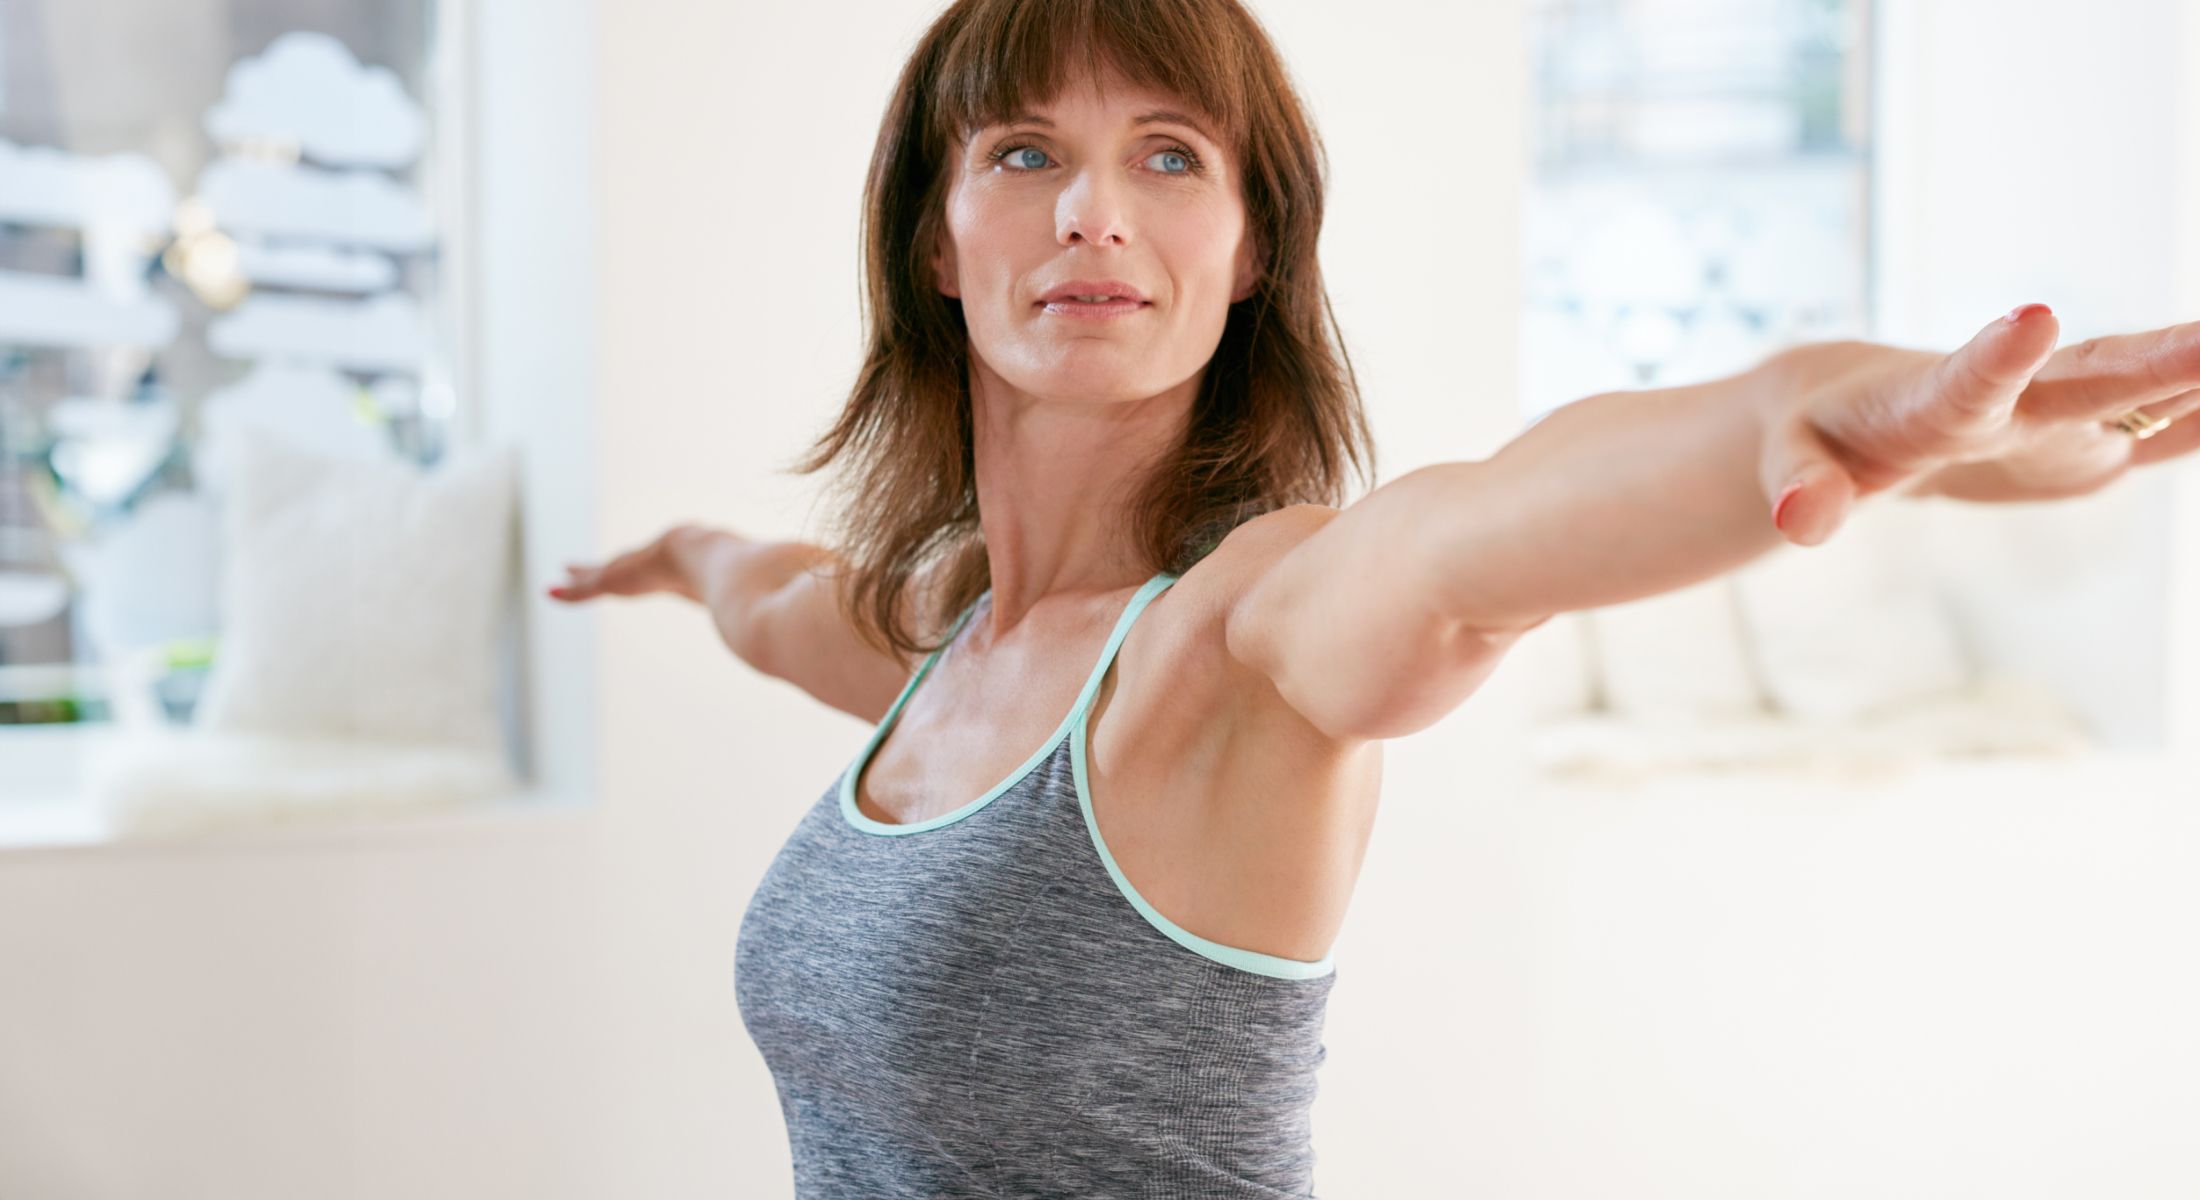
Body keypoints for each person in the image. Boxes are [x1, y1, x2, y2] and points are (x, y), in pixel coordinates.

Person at [548, 1, 2200, 1194]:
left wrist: (1816, 410)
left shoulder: (1239, 633)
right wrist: (673, 559)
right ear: (935, 235)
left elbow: (1478, 541)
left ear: (1255, 248)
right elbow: (771, 593)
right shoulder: (936, 644)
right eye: (1027, 148)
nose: (1093, 210)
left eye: (1171, 156)